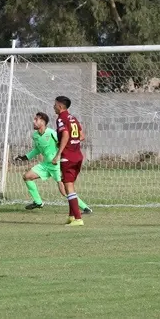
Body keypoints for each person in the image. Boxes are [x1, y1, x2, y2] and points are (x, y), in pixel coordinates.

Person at [14, 112, 68, 211]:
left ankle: (84, 208)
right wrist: (24, 157)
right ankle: (38, 202)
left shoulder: (51, 133)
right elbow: (37, 149)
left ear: (43, 122)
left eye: (36, 119)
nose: (33, 121)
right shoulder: (35, 135)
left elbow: (63, 145)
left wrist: (63, 162)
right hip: (45, 165)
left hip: (55, 164)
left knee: (64, 190)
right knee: (27, 176)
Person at [53, 96, 90, 227]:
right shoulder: (73, 118)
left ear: (60, 106)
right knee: (70, 186)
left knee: (68, 186)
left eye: (55, 104)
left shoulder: (61, 119)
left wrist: (58, 154)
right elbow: (82, 136)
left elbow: (66, 135)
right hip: (78, 156)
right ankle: (72, 216)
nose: (54, 106)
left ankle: (79, 218)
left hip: (67, 156)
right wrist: (73, 144)